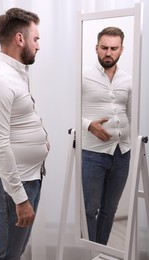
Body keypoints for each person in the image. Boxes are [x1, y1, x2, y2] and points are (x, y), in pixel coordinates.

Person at [0, 8, 49, 259]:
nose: (38, 46)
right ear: (20, 39)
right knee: (5, 255)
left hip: (29, 177)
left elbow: (19, 119)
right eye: (36, 39)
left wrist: (42, 139)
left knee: (14, 252)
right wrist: (20, 199)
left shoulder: (17, 73)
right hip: (12, 186)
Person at [82, 27, 131, 245]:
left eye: (113, 48)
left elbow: (131, 114)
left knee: (110, 210)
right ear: (96, 48)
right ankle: (89, 253)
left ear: (121, 50)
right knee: (89, 209)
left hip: (122, 154)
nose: (108, 52)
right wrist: (88, 125)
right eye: (104, 48)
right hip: (93, 153)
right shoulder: (83, 75)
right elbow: (66, 109)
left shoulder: (128, 80)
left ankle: (101, 251)